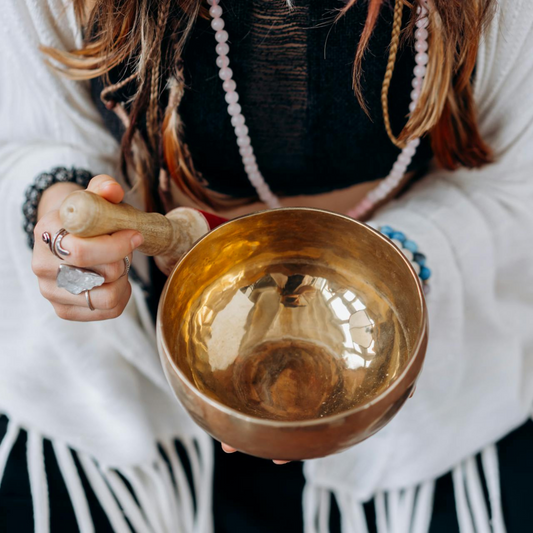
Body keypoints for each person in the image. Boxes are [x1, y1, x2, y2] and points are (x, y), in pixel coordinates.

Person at [1, 0, 532, 531]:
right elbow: (26, 129)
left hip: (436, 370)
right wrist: (53, 213)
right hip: (116, 385)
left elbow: (518, 181)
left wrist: (391, 262)